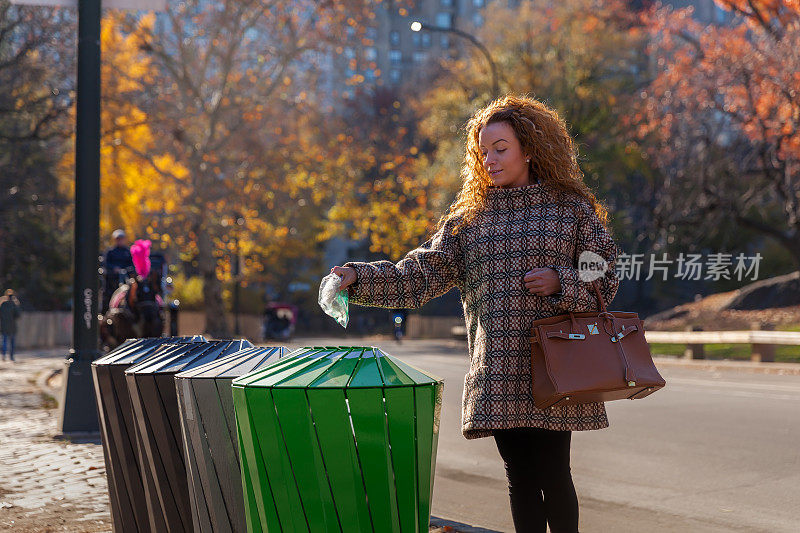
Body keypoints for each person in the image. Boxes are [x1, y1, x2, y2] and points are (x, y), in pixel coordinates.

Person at [330, 94, 620, 533]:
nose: (490, 160)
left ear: (530, 148)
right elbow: (420, 274)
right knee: (520, 477)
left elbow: (605, 270)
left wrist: (562, 280)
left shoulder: (572, 210)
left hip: (558, 366)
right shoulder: (469, 220)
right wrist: (358, 276)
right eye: (483, 152)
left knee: (555, 473)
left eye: (500, 149)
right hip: (499, 370)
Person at [103, 229, 134, 313]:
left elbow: (132, 264)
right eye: (118, 239)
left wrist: (126, 270)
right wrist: (114, 268)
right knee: (107, 292)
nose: (120, 241)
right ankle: (105, 311)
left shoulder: (128, 252)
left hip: (126, 278)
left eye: (121, 239)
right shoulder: (110, 252)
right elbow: (106, 263)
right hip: (113, 279)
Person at [0, 289, 21, 362]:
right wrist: (17, 304)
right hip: (12, 326)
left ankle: (3, 355)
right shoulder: (14, 304)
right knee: (12, 342)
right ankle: (11, 357)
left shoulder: (2, 304)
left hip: (4, 326)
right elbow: (18, 315)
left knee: (4, 342)